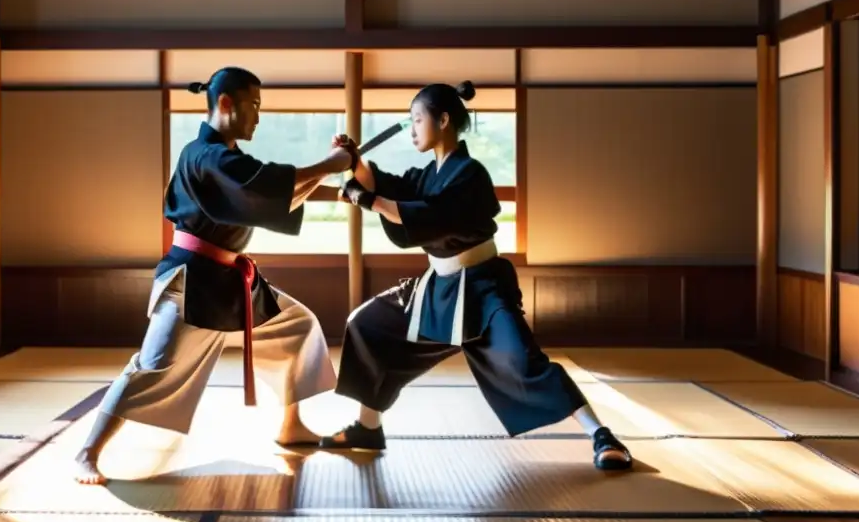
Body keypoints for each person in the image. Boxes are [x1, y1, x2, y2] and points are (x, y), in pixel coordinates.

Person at [319, 80, 633, 471]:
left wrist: (367, 198)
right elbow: (389, 188)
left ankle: (601, 436)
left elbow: (429, 216)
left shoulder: (470, 174)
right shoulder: (426, 174)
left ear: (444, 120)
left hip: (483, 288)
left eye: (418, 119)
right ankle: (368, 427)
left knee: (521, 362)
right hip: (439, 288)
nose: (413, 128)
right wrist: (355, 163)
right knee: (367, 325)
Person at [73, 67, 355, 485]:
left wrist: (327, 170)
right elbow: (266, 187)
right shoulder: (206, 155)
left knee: (297, 329)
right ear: (226, 104)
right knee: (152, 368)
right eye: (254, 106)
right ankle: (87, 451)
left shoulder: (227, 159)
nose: (258, 117)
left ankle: (290, 426)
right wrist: (328, 164)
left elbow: (274, 200)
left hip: (231, 279)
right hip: (192, 281)